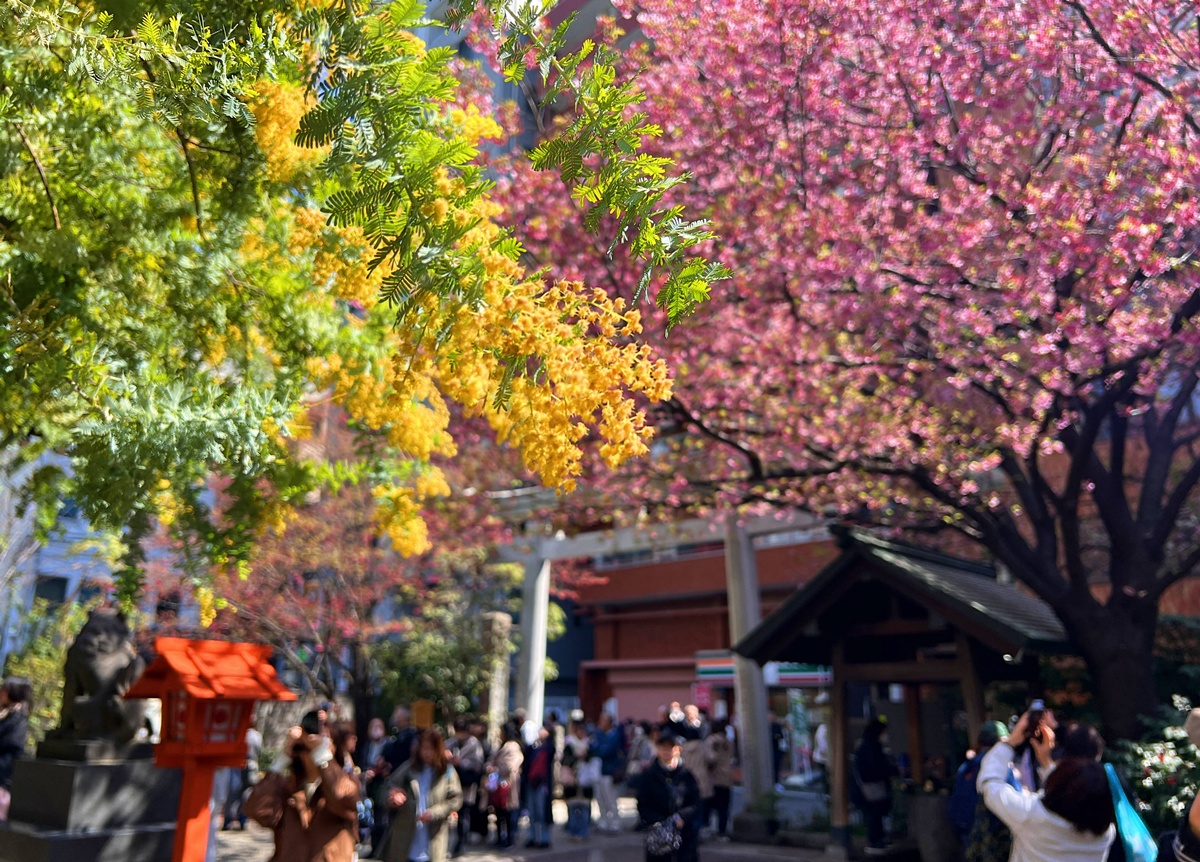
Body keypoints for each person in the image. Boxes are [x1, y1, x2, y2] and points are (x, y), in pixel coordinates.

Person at [977, 709, 1114, 862]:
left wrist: (1011, 742)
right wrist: (1046, 761)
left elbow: (990, 783)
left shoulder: (1031, 816)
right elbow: (1069, 792)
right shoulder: (1106, 833)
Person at [244, 709, 361, 862]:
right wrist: (282, 759)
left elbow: (342, 796)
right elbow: (256, 810)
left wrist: (323, 756)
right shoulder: (288, 787)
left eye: (324, 739)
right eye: (304, 746)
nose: (311, 748)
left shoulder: (348, 780)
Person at [375, 728, 463, 862]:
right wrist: (392, 797)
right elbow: (385, 789)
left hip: (433, 839)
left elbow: (456, 799)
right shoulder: (408, 768)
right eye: (424, 748)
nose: (427, 753)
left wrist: (435, 812)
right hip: (405, 839)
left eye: (431, 748)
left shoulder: (447, 772)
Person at [946, 721, 1017, 862]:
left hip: (968, 835)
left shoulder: (965, 768)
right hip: (994, 838)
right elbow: (1016, 801)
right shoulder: (1000, 770)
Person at [637, 729, 702, 862]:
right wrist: (658, 821)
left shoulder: (686, 775)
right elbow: (642, 804)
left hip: (684, 836)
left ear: (677, 749)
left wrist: (683, 816)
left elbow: (696, 802)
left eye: (670, 747)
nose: (666, 751)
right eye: (663, 747)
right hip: (658, 837)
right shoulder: (649, 775)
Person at [852, 718, 898, 855]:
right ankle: (876, 839)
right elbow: (877, 766)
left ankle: (878, 838)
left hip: (871, 783)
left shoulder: (866, 745)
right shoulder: (872, 747)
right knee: (875, 812)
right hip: (872, 784)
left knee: (875, 812)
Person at [447, 716, 483, 857]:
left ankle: (460, 845)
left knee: (463, 816)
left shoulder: (474, 744)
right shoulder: (451, 743)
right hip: (451, 784)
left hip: (467, 785)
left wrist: (461, 762)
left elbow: (478, 765)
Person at [485, 722, 523, 848]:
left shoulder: (512, 746)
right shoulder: (501, 746)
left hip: (507, 785)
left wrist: (495, 767)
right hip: (497, 784)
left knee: (507, 814)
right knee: (498, 812)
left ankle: (509, 839)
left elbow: (510, 765)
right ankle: (500, 838)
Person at [0, 677, 30, 822]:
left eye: (4, 689)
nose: (1, 692)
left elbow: (13, 748)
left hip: (3, 776)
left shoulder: (18, 720)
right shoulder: (6, 714)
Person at [523, 723, 556, 849]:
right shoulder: (533, 747)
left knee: (542, 812)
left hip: (543, 783)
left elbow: (551, 751)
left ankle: (545, 838)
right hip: (531, 782)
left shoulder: (548, 747)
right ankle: (532, 837)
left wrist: (547, 738)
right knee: (532, 812)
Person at [591, 712, 625, 833]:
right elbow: (593, 747)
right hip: (599, 771)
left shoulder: (614, 735)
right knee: (600, 798)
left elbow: (604, 751)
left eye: (603, 720)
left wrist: (596, 747)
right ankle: (604, 821)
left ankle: (615, 822)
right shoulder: (600, 734)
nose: (601, 722)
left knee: (611, 798)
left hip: (609, 771)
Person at [562, 719, 594, 842]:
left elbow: (593, 760)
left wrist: (586, 756)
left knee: (585, 808)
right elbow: (565, 761)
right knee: (573, 808)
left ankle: (584, 832)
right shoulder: (569, 744)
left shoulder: (590, 744)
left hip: (586, 783)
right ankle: (574, 832)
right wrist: (576, 758)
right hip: (573, 783)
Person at [704, 719, 734, 838]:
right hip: (727, 777)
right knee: (724, 807)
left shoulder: (711, 741)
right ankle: (723, 830)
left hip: (714, 778)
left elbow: (710, 759)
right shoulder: (728, 741)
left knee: (709, 805)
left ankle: (710, 828)